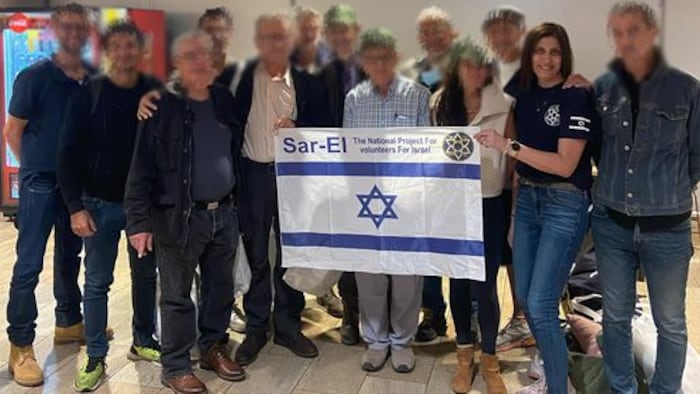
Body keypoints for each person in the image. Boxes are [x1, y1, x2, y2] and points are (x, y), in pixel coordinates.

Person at [476, 22, 595, 394]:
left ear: (565, 57)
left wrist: (506, 145)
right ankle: (552, 369)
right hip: (526, 199)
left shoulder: (575, 96)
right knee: (528, 299)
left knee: (541, 304)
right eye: (540, 51)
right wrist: (513, 216)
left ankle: (559, 387)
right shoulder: (521, 92)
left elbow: (564, 164)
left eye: (554, 52)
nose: (546, 59)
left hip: (565, 201)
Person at [125, 30, 246, 393]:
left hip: (224, 214)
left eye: (206, 55)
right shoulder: (159, 105)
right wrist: (137, 222)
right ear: (177, 63)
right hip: (178, 217)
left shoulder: (224, 99)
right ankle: (175, 365)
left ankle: (212, 347)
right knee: (176, 295)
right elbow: (140, 168)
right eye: (190, 55)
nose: (200, 61)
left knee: (220, 288)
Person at [592, 2, 700, 393]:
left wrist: (663, 191)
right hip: (611, 224)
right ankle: (622, 388)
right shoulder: (603, 88)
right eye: (617, 33)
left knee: (670, 321)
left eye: (633, 30)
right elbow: (597, 149)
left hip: (668, 227)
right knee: (615, 316)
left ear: (652, 34)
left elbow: (696, 158)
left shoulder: (687, 89)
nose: (626, 40)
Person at [2, 3, 106, 387]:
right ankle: (21, 344)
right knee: (29, 263)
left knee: (69, 255)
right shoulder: (35, 77)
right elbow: (13, 131)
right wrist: (34, 168)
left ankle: (69, 322)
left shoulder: (94, 78)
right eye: (68, 27)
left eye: (82, 27)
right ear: (55, 32)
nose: (75, 33)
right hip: (41, 183)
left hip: (77, 187)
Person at [57, 21, 162, 392]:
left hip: (142, 208)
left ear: (140, 50)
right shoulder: (88, 94)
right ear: (107, 51)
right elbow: (66, 154)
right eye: (116, 47)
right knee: (98, 282)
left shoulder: (155, 91)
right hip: (97, 204)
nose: (124, 53)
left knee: (146, 277)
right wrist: (74, 207)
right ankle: (96, 354)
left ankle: (144, 340)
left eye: (130, 46)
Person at [233, 11, 330, 367]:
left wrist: (298, 125)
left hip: (295, 180)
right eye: (268, 37)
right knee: (256, 251)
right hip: (253, 175)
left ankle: (289, 325)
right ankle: (257, 326)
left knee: (292, 253)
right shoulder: (239, 76)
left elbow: (325, 127)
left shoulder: (308, 81)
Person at [343, 27, 430, 373]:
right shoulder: (354, 99)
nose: (379, 63)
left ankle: (402, 342)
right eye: (371, 58)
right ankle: (376, 340)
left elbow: (427, 153)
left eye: (385, 56)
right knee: (370, 275)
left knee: (406, 277)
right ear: (364, 63)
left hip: (407, 202)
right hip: (367, 201)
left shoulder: (419, 96)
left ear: (396, 59)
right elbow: (347, 154)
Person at [431, 37, 512, 394]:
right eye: (468, 64)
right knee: (459, 283)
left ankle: (490, 359)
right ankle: (464, 355)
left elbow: (512, 163)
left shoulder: (506, 104)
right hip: (452, 206)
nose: (475, 72)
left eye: (482, 65)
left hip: (489, 203)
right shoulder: (439, 104)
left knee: (486, 282)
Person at [399, 6, 457, 343]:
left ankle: (474, 316)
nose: (433, 37)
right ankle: (433, 313)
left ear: (451, 35)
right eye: (427, 32)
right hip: (424, 178)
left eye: (439, 30)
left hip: (463, 178)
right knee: (427, 249)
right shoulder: (412, 74)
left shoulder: (470, 69)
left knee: (465, 249)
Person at [481, 4, 535, 354]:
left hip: (530, 174)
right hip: (495, 178)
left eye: (507, 28)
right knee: (501, 250)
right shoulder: (490, 70)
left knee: (521, 252)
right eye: (494, 29)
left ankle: (524, 318)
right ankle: (499, 313)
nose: (501, 35)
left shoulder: (534, 68)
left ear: (519, 31)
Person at [318, 3, 367, 345]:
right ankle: (351, 314)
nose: (340, 36)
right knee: (346, 246)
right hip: (331, 170)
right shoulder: (313, 72)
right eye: (333, 31)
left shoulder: (376, 69)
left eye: (345, 30)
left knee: (371, 244)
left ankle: (375, 314)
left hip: (369, 171)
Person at [400, 6, 457, 94]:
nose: (432, 38)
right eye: (426, 33)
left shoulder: (465, 64)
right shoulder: (411, 69)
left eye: (437, 31)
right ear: (419, 38)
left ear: (453, 33)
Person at [290, 6, 333, 74]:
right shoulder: (286, 59)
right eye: (304, 29)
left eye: (314, 29)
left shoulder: (330, 59)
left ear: (321, 32)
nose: (309, 35)